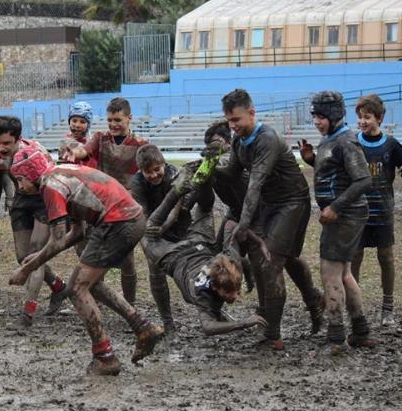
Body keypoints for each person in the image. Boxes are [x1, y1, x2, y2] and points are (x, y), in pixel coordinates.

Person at [8, 144, 164, 375]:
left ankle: (105, 356)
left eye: (20, 179)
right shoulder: (63, 172)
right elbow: (77, 232)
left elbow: (56, 239)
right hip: (129, 219)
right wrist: (38, 258)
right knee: (92, 284)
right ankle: (143, 328)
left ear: (31, 173)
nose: (20, 186)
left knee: (76, 288)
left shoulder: (50, 186)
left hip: (117, 222)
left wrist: (29, 267)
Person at [216, 89, 317, 350]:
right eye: (229, 121)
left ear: (252, 113)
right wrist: (208, 166)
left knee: (270, 259)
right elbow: (232, 173)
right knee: (280, 257)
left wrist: (244, 224)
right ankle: (313, 302)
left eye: (236, 120)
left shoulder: (266, 139)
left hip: (292, 202)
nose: (233, 126)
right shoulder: (239, 142)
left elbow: (255, 184)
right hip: (269, 204)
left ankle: (272, 333)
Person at [134, 144, 267, 335]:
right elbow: (207, 327)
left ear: (163, 163)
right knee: (148, 235)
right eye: (149, 172)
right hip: (168, 240)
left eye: (157, 169)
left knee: (204, 207)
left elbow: (239, 254)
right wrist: (244, 323)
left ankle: (204, 173)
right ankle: (167, 321)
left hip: (186, 234)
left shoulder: (174, 172)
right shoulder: (203, 295)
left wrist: (247, 273)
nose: (236, 297)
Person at [300, 91, 375, 354]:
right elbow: (335, 173)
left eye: (321, 117)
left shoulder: (346, 141)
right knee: (344, 274)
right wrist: (311, 159)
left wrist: (335, 207)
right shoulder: (330, 140)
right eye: (315, 117)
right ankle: (361, 331)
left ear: (334, 116)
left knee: (330, 273)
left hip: (346, 216)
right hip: (342, 216)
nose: (317, 122)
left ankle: (336, 339)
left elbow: (364, 180)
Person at [0, 116, 67, 326]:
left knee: (35, 253)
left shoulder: (35, 151)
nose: (2, 148)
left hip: (43, 199)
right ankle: (58, 286)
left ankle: (27, 314)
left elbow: (53, 178)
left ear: (18, 139)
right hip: (22, 200)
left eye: (7, 143)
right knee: (23, 257)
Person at [65, 97, 147, 304]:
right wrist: (74, 152)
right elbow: (84, 150)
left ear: (129, 118)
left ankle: (130, 304)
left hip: (127, 209)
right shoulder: (100, 138)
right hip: (101, 208)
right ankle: (94, 299)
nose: (113, 125)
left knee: (127, 261)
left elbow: (148, 173)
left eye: (118, 120)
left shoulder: (141, 144)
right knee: (96, 256)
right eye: (110, 120)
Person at [350, 94, 402, 326]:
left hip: (383, 211)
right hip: (357, 211)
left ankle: (387, 309)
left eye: (367, 117)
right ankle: (356, 307)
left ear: (379, 118)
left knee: (386, 257)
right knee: (355, 257)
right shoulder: (353, 142)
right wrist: (311, 159)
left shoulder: (390, 144)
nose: (362, 121)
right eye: (359, 117)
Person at [64, 101, 97, 168]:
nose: (77, 125)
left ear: (88, 125)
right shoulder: (65, 143)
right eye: (74, 121)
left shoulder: (93, 143)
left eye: (82, 122)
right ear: (69, 122)